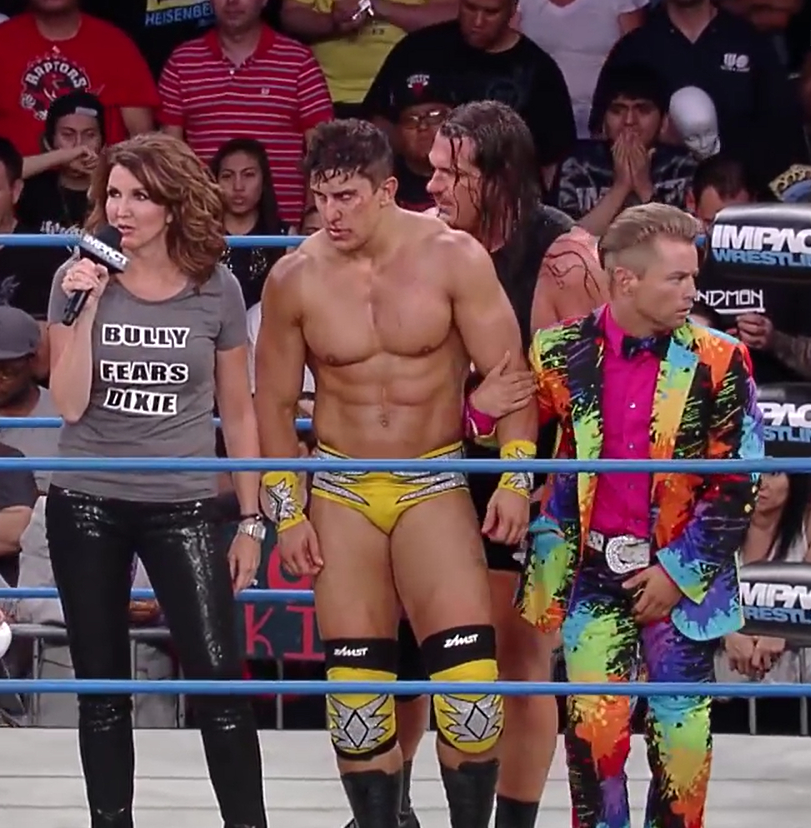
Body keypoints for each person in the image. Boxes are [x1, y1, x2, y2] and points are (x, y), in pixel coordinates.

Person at [253, 119, 534, 828]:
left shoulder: (453, 257)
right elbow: (274, 409)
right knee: (355, 703)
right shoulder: (294, 278)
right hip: (341, 486)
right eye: (321, 197)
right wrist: (286, 512)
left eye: (347, 196)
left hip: (431, 479)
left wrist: (514, 479)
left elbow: (510, 378)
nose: (331, 213)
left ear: (385, 191)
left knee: (470, 695)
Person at [46, 131, 267, 828]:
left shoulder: (217, 287)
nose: (122, 209)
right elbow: (68, 404)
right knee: (102, 689)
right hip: (86, 500)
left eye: (139, 195)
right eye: (113, 194)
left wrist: (252, 519)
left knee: (219, 683)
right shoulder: (75, 278)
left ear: (172, 204)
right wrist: (84, 309)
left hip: (182, 503)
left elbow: (238, 409)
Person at [524, 203, 761, 828]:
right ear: (626, 281)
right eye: (677, 278)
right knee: (592, 745)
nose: (692, 292)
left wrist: (676, 574)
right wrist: (480, 410)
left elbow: (739, 482)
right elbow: (513, 434)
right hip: (589, 573)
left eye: (693, 277)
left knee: (683, 752)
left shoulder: (721, 359)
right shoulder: (558, 351)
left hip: (680, 575)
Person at [425, 99, 607, 828]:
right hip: (443, 462)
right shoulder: (429, 245)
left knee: (519, 656)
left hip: (537, 477)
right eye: (432, 169)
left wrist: (549, 492)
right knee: (427, 651)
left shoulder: (564, 259)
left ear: (496, 178)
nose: (433, 186)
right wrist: (472, 405)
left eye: (450, 173)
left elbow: (593, 400)